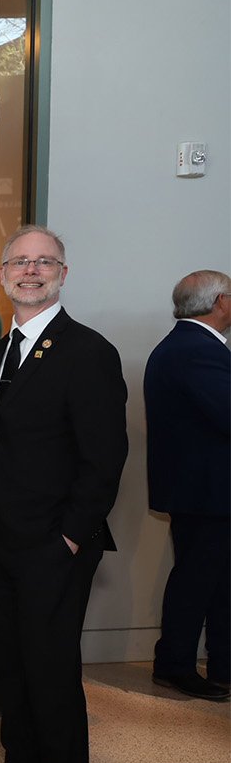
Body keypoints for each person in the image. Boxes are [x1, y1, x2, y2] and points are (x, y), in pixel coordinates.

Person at [0, 225, 128, 763]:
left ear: (63, 273)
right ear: (3, 273)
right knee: (11, 668)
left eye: (44, 262)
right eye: (20, 262)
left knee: (51, 673)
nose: (31, 271)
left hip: (53, 546)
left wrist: (71, 538)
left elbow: (105, 457)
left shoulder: (88, 351)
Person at [144, 270, 230, 700]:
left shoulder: (186, 346)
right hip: (206, 492)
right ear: (218, 302)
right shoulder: (196, 349)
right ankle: (174, 665)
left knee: (217, 582)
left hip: (204, 491)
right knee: (197, 581)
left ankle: (223, 665)